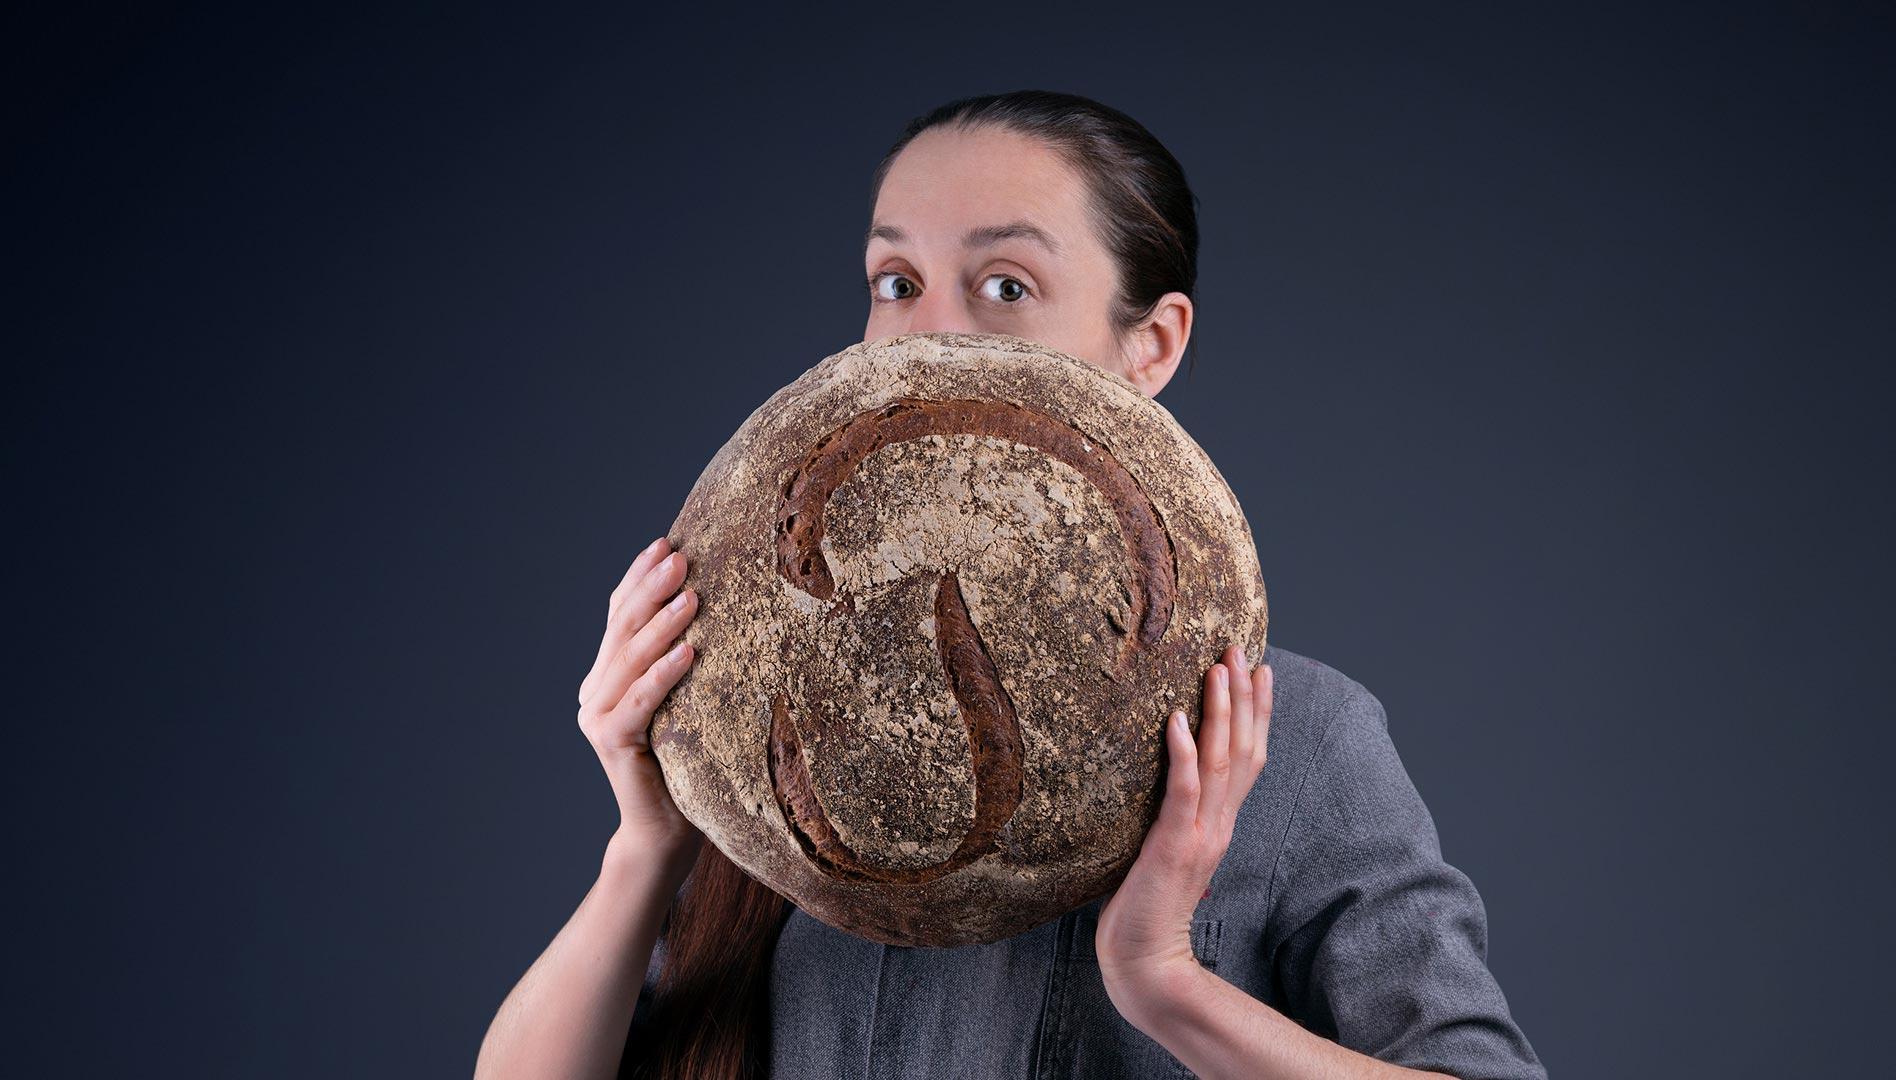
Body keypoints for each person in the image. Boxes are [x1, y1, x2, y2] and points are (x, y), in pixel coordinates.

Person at [475, 90, 1547, 1080]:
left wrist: (1163, 982)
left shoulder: (1290, 741)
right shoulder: (777, 734)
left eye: (1005, 286)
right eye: (896, 283)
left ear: (1152, 344)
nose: (931, 333)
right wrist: (653, 839)